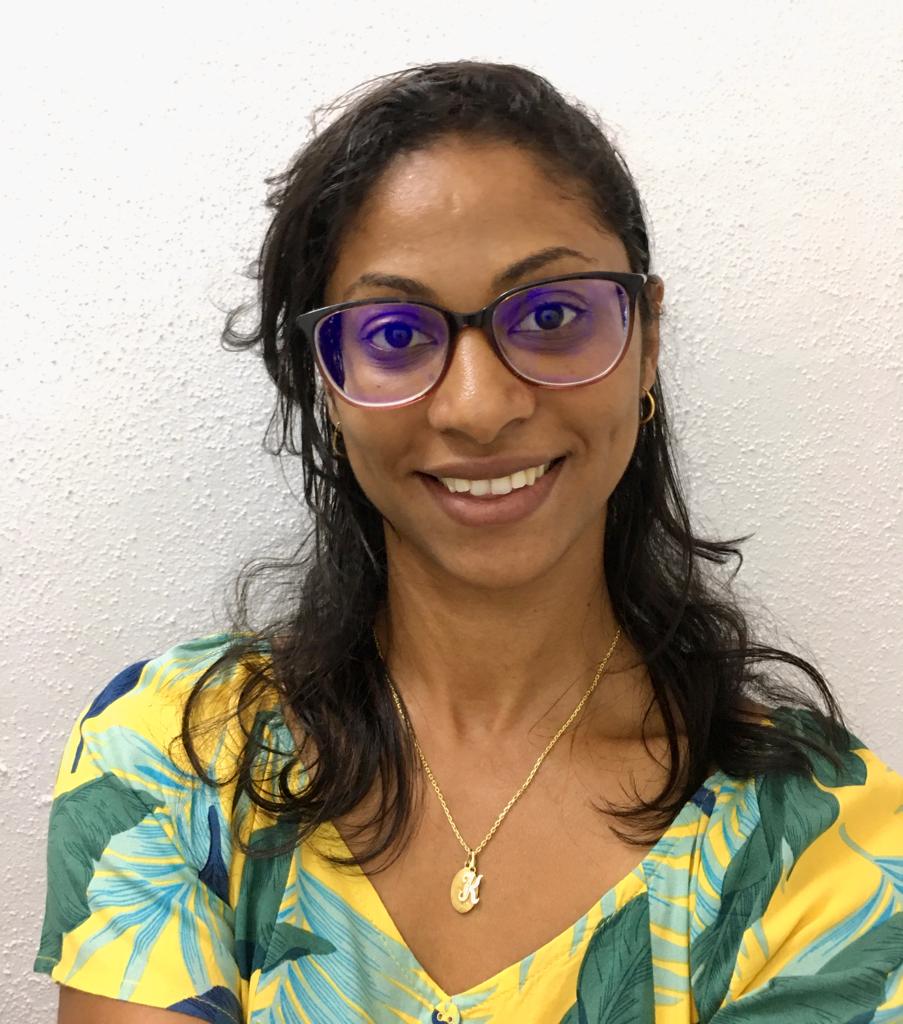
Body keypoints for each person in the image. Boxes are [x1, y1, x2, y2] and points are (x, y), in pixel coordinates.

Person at [35, 60, 903, 1024]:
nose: (479, 408)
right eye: (394, 335)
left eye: (552, 316)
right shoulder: (176, 754)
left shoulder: (827, 847)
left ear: (646, 340)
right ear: (326, 382)